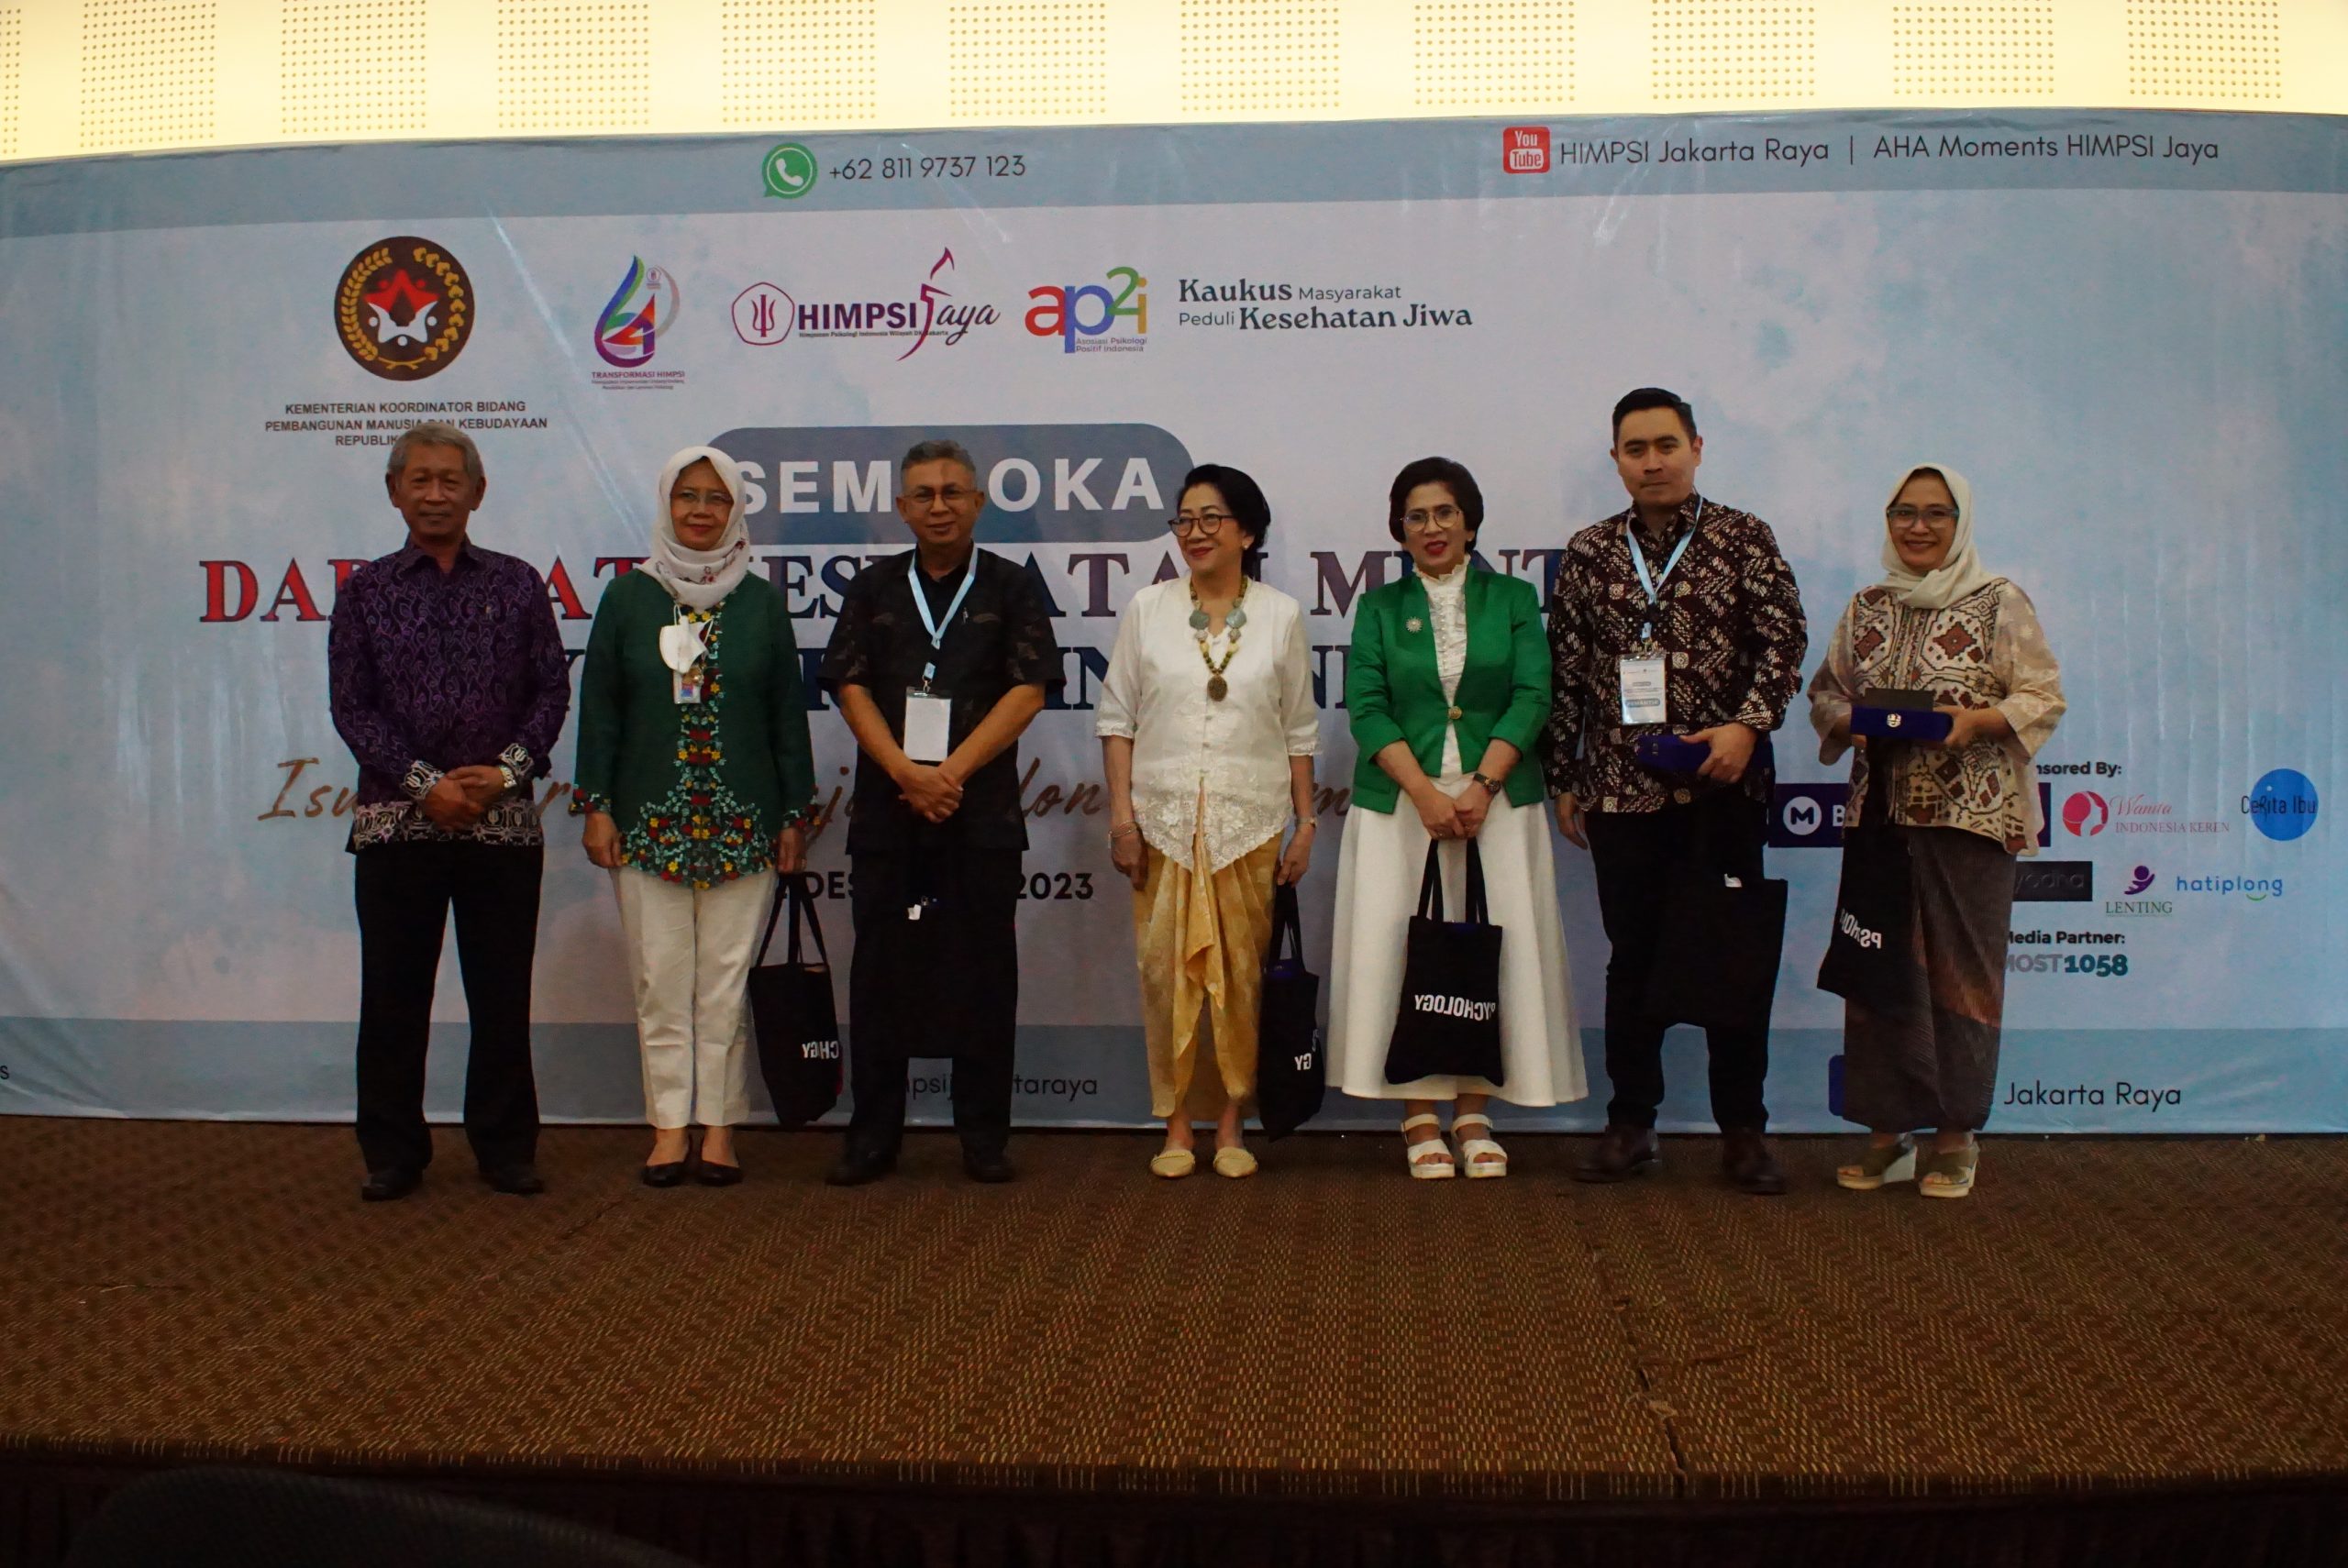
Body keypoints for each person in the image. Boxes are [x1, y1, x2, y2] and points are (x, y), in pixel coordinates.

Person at [1544, 388, 1808, 1195]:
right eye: (1636, 449)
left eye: (1666, 445)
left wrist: (1747, 728)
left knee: (1732, 958)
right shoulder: (1591, 551)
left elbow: (1785, 642)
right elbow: (1568, 671)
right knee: (1633, 961)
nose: (1652, 461)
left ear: (1696, 447)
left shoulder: (1743, 537)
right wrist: (1564, 776)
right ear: (1616, 459)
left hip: (1722, 788)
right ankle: (1632, 1124)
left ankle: (1744, 1133)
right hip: (1621, 792)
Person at [327, 423, 570, 1202]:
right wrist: (424, 783)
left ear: (477, 492)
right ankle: (392, 1152)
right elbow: (352, 708)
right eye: (420, 480)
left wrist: (505, 774)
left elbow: (551, 692)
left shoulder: (518, 584)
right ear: (394, 492)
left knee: (501, 996)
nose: (435, 494)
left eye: (450, 480)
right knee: (393, 997)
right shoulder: (365, 591)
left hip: (503, 825)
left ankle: (504, 1148)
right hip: (397, 825)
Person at [1810, 464, 2064, 1198]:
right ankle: (1886, 1136)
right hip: (1881, 821)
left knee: (1963, 981)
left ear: (1960, 522)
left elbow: (2042, 695)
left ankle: (1955, 1138)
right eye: (1904, 513)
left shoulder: (1998, 601)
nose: (1917, 527)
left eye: (1935, 514)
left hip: (1970, 820)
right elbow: (1825, 694)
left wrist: (1976, 722)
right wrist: (1853, 725)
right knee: (1876, 975)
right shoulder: (1867, 607)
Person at [1327, 458, 1584, 1177]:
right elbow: (1366, 708)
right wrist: (1425, 793)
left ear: (1470, 522)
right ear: (1399, 530)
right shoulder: (1379, 608)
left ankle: (1473, 1111)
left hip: (1495, 805)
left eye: (1445, 512)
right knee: (1402, 952)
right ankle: (1418, 1113)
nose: (1432, 527)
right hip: (1400, 807)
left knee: (1489, 954)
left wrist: (1481, 785)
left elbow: (1534, 694)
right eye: (1416, 516)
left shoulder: (1513, 598)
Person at [818, 439, 1062, 1186]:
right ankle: (873, 1137)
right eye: (923, 494)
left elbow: (1029, 689)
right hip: (888, 813)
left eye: (953, 492)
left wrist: (949, 773)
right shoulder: (873, 586)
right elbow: (849, 685)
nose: (939, 506)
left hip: (978, 813)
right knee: (880, 977)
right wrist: (904, 771)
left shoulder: (1012, 585)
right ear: (901, 507)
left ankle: (983, 1137)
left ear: (978, 502)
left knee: (985, 976)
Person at [572, 447, 817, 1187]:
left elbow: (786, 716)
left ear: (736, 509)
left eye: (717, 498)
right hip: (648, 824)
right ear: (666, 505)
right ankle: (668, 1127)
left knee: (724, 986)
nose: (702, 511)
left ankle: (718, 1128)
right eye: (688, 497)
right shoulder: (629, 598)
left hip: (746, 824)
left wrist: (793, 814)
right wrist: (597, 806)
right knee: (659, 982)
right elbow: (601, 709)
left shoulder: (761, 602)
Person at [1097, 465, 1318, 1180]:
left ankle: (1230, 1122)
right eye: (1185, 520)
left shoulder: (1281, 615)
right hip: (1162, 824)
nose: (1195, 533)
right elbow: (1116, 720)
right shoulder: (1148, 608)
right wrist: (1123, 819)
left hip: (1248, 824)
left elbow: (1299, 731)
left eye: (1211, 518)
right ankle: (1174, 1124)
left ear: (1247, 532)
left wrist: (1306, 822)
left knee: (1240, 981)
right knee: (1167, 979)